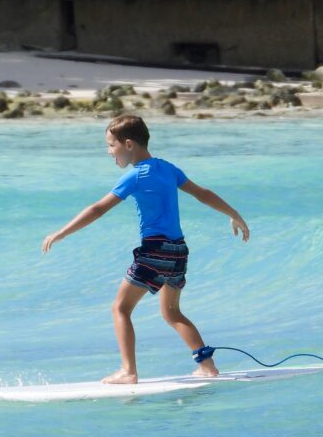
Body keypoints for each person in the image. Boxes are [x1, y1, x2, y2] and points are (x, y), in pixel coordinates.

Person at [41, 115, 249, 384]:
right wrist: (234, 214)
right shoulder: (168, 168)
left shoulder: (135, 176)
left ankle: (128, 371)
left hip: (155, 251)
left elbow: (98, 209)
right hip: (178, 252)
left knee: (120, 308)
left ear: (128, 144)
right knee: (172, 312)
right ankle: (207, 366)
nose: (108, 152)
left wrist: (61, 233)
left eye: (111, 145)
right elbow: (203, 193)